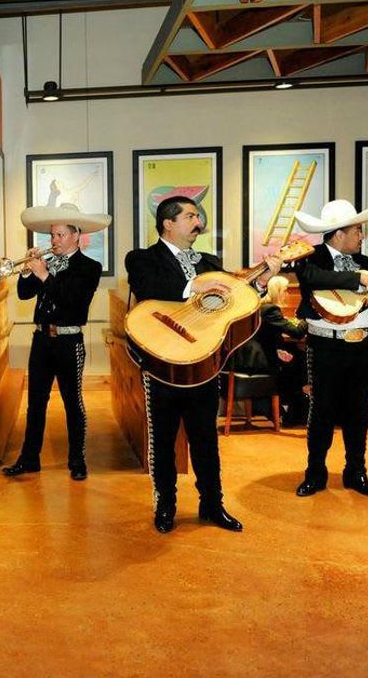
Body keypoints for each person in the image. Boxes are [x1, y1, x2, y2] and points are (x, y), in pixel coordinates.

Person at [124, 196, 281, 533]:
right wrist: (195, 285)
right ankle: (166, 505)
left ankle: (213, 504)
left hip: (205, 362)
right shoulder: (142, 258)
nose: (198, 221)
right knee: (163, 441)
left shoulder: (211, 261)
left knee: (206, 440)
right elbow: (149, 287)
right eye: (191, 215)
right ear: (168, 222)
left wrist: (263, 280)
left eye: (198, 215)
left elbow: (236, 301)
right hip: (162, 361)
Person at [292, 198, 368, 498]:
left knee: (358, 412)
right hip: (325, 348)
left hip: (361, 347)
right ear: (339, 233)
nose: (362, 236)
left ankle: (356, 472)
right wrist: (356, 278)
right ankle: (315, 473)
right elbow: (310, 279)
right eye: (357, 231)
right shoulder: (312, 257)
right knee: (321, 411)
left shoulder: (367, 263)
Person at [2, 203, 108, 481]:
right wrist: (27, 270)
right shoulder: (46, 264)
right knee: (35, 403)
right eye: (52, 236)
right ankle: (29, 459)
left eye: (60, 235)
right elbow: (25, 295)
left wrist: (43, 274)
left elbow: (72, 299)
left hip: (69, 340)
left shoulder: (90, 267)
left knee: (73, 403)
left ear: (76, 236)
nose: (54, 241)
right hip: (41, 340)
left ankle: (77, 460)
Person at [230, 276, 308, 425]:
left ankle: (289, 409)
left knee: (295, 358)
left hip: (251, 356)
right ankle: (289, 410)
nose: (288, 294)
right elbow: (297, 333)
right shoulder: (271, 309)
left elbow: (262, 337)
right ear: (277, 292)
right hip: (257, 361)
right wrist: (308, 317)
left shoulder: (260, 307)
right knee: (300, 361)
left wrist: (277, 350)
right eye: (285, 291)